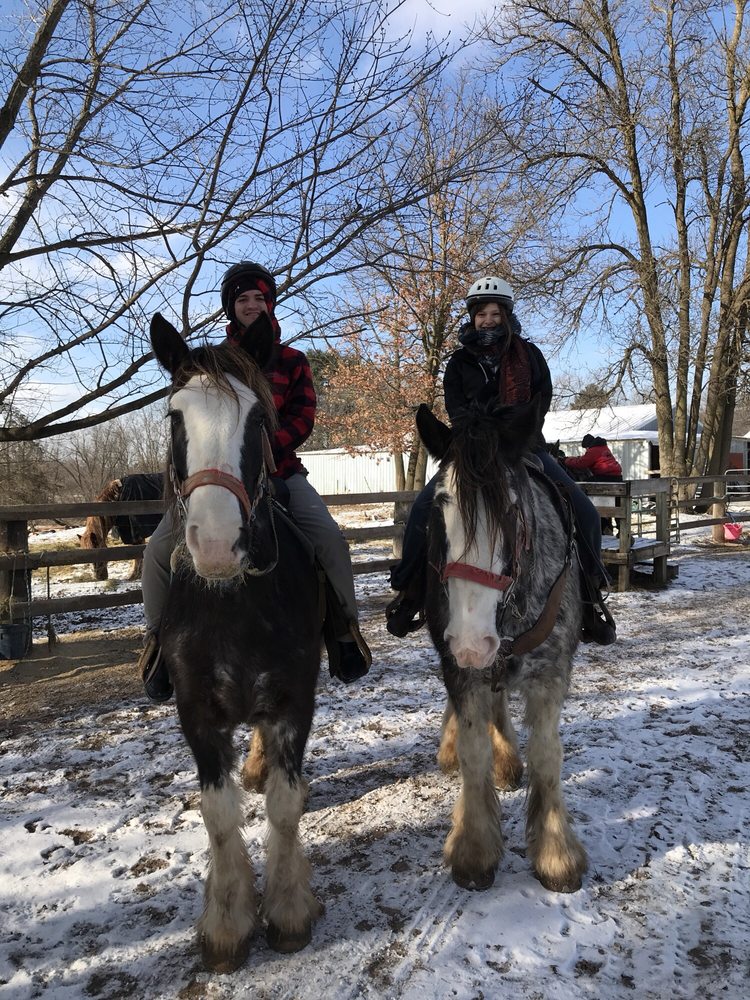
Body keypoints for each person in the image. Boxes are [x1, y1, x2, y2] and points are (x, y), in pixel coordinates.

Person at [139, 261, 371, 701]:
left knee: (328, 538)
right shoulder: (214, 362)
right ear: (231, 307)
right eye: (243, 299)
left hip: (280, 469)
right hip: (220, 479)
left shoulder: (292, 361)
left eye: (259, 299)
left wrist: (269, 445)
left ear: (270, 304)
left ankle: (345, 632)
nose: (251, 305)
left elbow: (304, 416)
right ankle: (155, 643)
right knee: (156, 550)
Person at [386, 275, 616, 646]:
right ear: (473, 318)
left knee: (584, 511)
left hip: (525, 447)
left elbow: (540, 401)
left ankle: (591, 598)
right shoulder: (459, 362)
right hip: (472, 450)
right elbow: (457, 410)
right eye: (482, 314)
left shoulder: (530, 355)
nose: (489, 320)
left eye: (496, 313)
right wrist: (482, 435)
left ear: (506, 316)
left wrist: (516, 434)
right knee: (423, 509)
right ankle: (410, 591)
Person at [565, 435, 623, 535]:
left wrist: (566, 460)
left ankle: (585, 507)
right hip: (617, 477)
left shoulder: (593, 450)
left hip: (605, 477)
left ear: (588, 445)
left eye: (586, 448)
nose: (586, 450)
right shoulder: (604, 448)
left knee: (585, 486)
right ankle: (621, 529)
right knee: (618, 503)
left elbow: (581, 463)